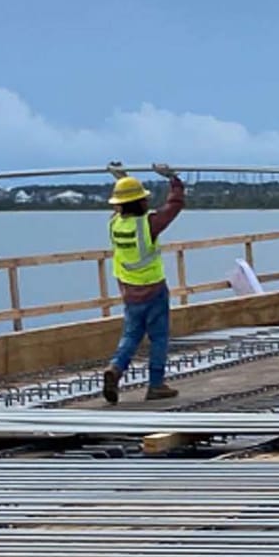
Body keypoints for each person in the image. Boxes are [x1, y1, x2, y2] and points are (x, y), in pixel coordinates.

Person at [101, 162, 185, 404]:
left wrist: (121, 178)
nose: (148, 202)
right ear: (141, 202)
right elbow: (174, 206)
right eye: (144, 199)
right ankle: (156, 385)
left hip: (129, 292)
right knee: (158, 338)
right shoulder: (148, 224)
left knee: (131, 335)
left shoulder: (114, 223)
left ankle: (115, 369)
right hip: (153, 290)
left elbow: (123, 203)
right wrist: (173, 179)